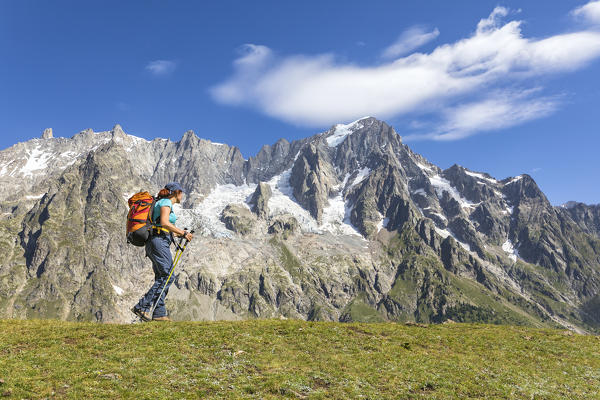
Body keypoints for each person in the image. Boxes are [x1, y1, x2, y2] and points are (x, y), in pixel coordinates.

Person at [131, 182, 193, 322]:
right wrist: (182, 232)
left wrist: (180, 234)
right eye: (181, 192)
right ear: (176, 192)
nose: (182, 195)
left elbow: (162, 226)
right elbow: (165, 222)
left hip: (157, 241)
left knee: (162, 276)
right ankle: (142, 306)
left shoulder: (161, 202)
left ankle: (159, 313)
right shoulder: (165, 202)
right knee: (168, 276)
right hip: (158, 242)